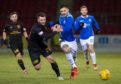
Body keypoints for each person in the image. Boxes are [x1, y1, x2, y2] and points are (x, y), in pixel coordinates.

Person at [28, 12, 64, 80]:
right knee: (38, 68)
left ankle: (59, 76)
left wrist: (62, 20)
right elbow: (45, 37)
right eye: (41, 20)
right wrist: (56, 31)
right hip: (33, 49)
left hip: (42, 46)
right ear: (38, 20)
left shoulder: (45, 24)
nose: (43, 21)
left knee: (52, 59)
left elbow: (53, 22)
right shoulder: (36, 28)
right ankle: (36, 59)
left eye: (44, 19)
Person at [74, 5, 100, 70]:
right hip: (82, 38)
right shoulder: (78, 19)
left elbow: (95, 23)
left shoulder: (91, 17)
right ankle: (87, 60)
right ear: (80, 11)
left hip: (90, 36)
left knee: (91, 49)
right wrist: (80, 26)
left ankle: (95, 64)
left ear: (87, 11)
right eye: (82, 10)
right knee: (85, 51)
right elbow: (75, 28)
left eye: (85, 10)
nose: (84, 11)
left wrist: (98, 29)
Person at [57, 5, 79, 80]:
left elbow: (68, 28)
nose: (62, 12)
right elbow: (62, 26)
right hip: (63, 39)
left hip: (72, 40)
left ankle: (73, 71)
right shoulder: (60, 17)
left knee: (74, 57)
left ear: (68, 10)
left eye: (64, 11)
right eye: (61, 11)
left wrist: (59, 29)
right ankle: (75, 67)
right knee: (66, 50)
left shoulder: (70, 17)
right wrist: (57, 27)